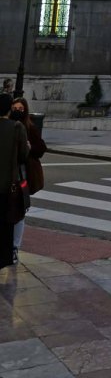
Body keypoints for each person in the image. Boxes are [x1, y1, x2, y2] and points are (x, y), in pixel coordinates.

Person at [10, 97, 47, 263]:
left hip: (23, 176)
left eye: (21, 109)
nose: (18, 111)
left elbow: (41, 148)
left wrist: (31, 147)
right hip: (10, 175)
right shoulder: (8, 126)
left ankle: (15, 246)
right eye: (15, 108)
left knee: (20, 211)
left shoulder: (29, 127)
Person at [0, 92, 29, 270]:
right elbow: (23, 156)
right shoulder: (17, 127)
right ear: (9, 109)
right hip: (7, 185)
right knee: (6, 223)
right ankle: (4, 257)